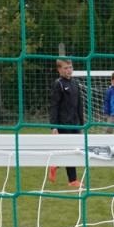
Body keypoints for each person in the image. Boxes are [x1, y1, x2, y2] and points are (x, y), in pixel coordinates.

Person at [48, 58, 83, 187]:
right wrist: (54, 126)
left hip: (75, 122)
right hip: (63, 123)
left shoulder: (76, 83)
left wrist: (82, 123)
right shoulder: (59, 84)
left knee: (74, 149)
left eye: (70, 67)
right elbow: (54, 105)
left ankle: (56, 165)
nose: (69, 70)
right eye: (65, 68)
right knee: (69, 149)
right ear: (59, 70)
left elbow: (79, 104)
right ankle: (72, 179)